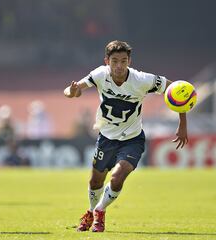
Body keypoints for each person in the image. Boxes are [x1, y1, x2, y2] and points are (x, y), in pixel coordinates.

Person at [63, 40, 188, 233]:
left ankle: (100, 211)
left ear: (129, 61)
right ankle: (90, 211)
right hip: (106, 137)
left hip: (132, 139)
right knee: (95, 181)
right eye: (114, 61)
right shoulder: (99, 75)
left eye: (123, 61)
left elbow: (178, 91)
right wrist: (71, 92)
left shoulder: (142, 80)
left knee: (117, 177)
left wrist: (183, 123)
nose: (119, 66)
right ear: (107, 61)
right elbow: (74, 90)